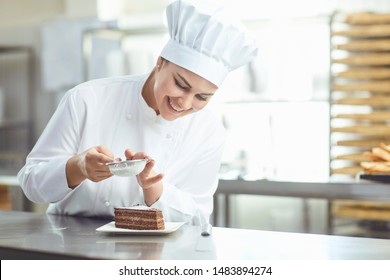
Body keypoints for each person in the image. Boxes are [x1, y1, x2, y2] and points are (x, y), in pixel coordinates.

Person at [17, 0, 258, 225]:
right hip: (65, 242)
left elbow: (198, 218)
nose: (185, 103)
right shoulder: (86, 99)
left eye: (202, 97)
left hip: (154, 256)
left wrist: (156, 191)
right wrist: (77, 167)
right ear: (161, 61)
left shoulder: (209, 131)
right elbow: (31, 184)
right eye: (181, 84)